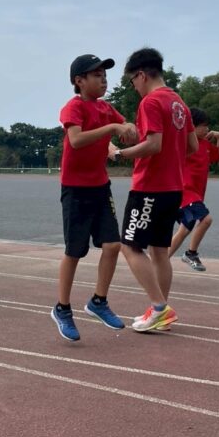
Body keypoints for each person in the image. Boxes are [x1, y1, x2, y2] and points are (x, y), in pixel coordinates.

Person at [110, 47, 197, 332]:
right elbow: (192, 146)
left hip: (150, 187)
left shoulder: (151, 102)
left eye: (132, 81)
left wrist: (119, 154)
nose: (134, 87)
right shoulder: (179, 103)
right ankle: (160, 312)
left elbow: (153, 144)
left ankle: (160, 307)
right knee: (160, 251)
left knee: (129, 245)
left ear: (141, 75)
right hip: (174, 187)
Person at [50, 54, 133, 341]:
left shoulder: (106, 108)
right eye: (97, 75)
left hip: (100, 186)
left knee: (112, 245)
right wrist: (112, 129)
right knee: (74, 251)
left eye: (105, 75)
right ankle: (62, 308)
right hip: (75, 189)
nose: (104, 80)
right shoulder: (73, 107)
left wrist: (130, 130)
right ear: (79, 81)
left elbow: (125, 127)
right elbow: (76, 140)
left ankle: (99, 301)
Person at [169, 107, 219, 271]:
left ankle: (159, 262)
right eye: (203, 126)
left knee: (184, 229)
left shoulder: (205, 144)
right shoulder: (184, 144)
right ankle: (191, 253)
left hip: (197, 194)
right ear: (192, 126)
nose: (207, 129)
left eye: (207, 126)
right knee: (206, 219)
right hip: (185, 192)